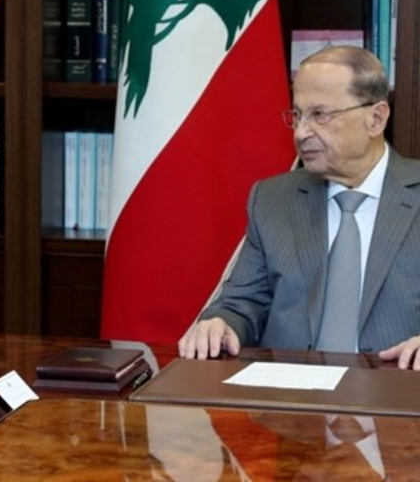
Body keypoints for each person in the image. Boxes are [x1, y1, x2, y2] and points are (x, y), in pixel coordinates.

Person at [178, 45, 420, 370]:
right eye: (297, 115)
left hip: (396, 392)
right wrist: (221, 323)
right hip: (288, 394)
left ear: (375, 119)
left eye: (320, 115)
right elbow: (243, 302)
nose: (302, 132)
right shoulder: (272, 199)